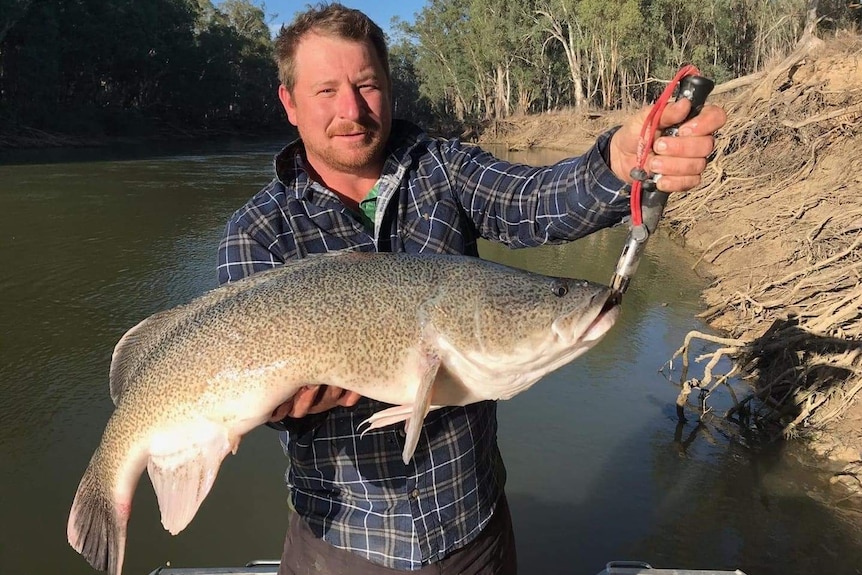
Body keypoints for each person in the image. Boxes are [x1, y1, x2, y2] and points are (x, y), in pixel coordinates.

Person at [217, 3, 727, 574]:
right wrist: (279, 409)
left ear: (390, 87)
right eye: (326, 90)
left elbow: (537, 201)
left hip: (471, 529)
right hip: (341, 545)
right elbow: (238, 385)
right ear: (289, 102)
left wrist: (616, 161)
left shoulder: (443, 169)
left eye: (367, 85)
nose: (351, 109)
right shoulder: (256, 232)